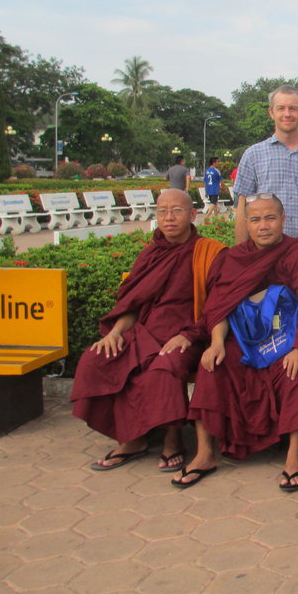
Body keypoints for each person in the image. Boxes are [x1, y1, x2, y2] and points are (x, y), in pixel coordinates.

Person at [175, 193, 298, 491]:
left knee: (293, 370)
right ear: (246, 224)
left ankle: (294, 456)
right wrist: (216, 342)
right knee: (212, 365)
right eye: (255, 220)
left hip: (288, 337)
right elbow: (219, 306)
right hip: (243, 339)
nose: (263, 226)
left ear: (283, 220)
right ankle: (204, 454)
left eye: (270, 218)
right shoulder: (234, 259)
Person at [71, 189, 225, 472]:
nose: (169, 218)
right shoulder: (151, 254)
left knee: (163, 369)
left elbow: (218, 306)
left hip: (189, 336)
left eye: (176, 211)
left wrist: (188, 335)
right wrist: (115, 333)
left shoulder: (209, 253)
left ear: (193, 214)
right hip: (143, 334)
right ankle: (132, 439)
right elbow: (133, 303)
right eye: (162, 211)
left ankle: (172, 439)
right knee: (97, 359)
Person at [233, 85, 298, 245]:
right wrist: (241, 253)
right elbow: (242, 208)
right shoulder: (254, 155)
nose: (287, 114)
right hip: (265, 251)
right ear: (271, 112)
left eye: (293, 108)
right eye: (281, 108)